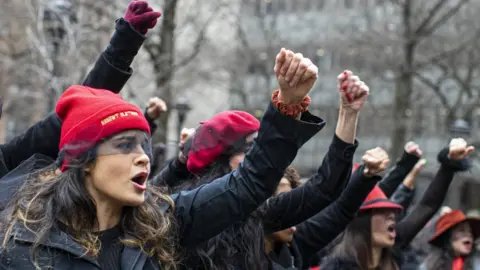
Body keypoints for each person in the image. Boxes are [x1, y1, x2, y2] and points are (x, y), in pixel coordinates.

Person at [0, 45, 323, 269]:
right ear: (84, 161)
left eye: (144, 145)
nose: (143, 157)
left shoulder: (164, 221)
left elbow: (251, 183)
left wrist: (287, 106)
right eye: (125, 145)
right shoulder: (21, 244)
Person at [321, 138, 474, 270]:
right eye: (382, 211)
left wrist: (448, 166)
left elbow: (427, 206)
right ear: (362, 220)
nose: (392, 216)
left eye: (392, 211)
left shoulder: (395, 246)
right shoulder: (336, 260)